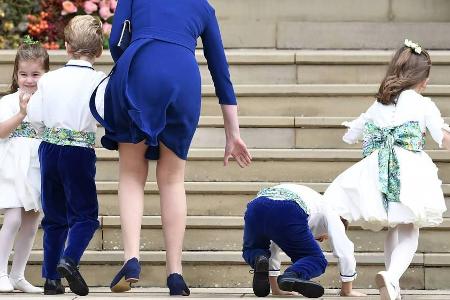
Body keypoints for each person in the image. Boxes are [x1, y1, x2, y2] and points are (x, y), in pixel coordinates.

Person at [95, 0, 252, 295]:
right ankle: (175, 273)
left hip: (141, 65)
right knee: (172, 178)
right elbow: (220, 69)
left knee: (131, 174)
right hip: (185, 78)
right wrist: (233, 133)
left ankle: (131, 259)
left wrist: (128, 65)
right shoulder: (203, 7)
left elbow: (116, 40)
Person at [323, 40, 449, 300]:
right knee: (409, 229)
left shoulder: (377, 105)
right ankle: (391, 277)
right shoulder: (424, 105)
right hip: (410, 172)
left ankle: (394, 286)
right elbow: (443, 137)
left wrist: (367, 131)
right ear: (421, 78)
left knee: (395, 227)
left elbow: (352, 134)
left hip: (378, 171)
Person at [27, 15, 105, 296]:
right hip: (79, 153)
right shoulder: (99, 80)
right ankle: (69, 260)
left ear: (67, 47)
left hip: (49, 149)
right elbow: (105, 114)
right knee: (85, 215)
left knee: (55, 217)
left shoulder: (49, 79)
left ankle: (50, 279)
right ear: (98, 51)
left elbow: (34, 116)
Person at [242, 184, 365, 298]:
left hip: (256, 206)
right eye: (324, 237)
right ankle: (292, 275)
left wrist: (275, 289)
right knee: (316, 260)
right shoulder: (331, 211)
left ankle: (257, 257)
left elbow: (273, 244)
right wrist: (347, 289)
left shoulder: (313, 199)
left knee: (254, 249)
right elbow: (344, 248)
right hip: (288, 209)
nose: (320, 240)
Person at [0, 38, 49, 294]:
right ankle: (0, 272)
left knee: (32, 221)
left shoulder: (48, 102)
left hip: (36, 168)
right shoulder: (7, 102)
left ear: (45, 74)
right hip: (11, 169)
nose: (29, 80)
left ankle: (18, 274)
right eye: (24, 74)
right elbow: (1, 132)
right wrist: (20, 114)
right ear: (16, 74)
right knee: (13, 218)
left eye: (36, 74)